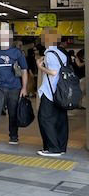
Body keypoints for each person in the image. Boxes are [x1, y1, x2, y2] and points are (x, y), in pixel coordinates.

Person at [0, 23, 27, 148]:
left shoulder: (17, 52)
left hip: (14, 87)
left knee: (13, 113)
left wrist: (24, 88)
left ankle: (13, 136)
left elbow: (24, 70)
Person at [37, 27, 68, 157]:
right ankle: (60, 147)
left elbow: (54, 72)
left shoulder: (49, 54)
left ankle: (52, 148)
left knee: (44, 118)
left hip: (50, 92)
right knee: (60, 119)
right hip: (61, 93)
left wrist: (40, 67)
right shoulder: (61, 53)